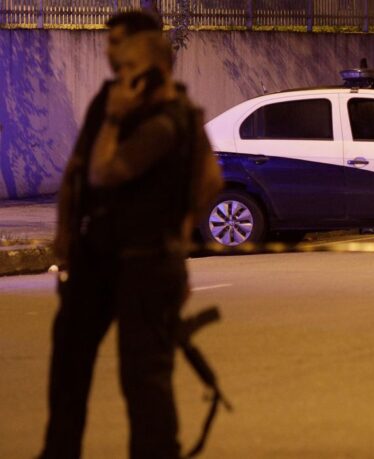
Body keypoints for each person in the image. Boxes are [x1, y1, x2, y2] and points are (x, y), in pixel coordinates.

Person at [40, 13, 223, 459]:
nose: (112, 58)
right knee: (69, 365)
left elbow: (109, 171)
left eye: (122, 54)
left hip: (145, 263)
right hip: (97, 258)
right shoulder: (109, 99)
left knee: (143, 380)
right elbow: (79, 171)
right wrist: (65, 235)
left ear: (151, 60)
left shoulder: (171, 116)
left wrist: (176, 246)